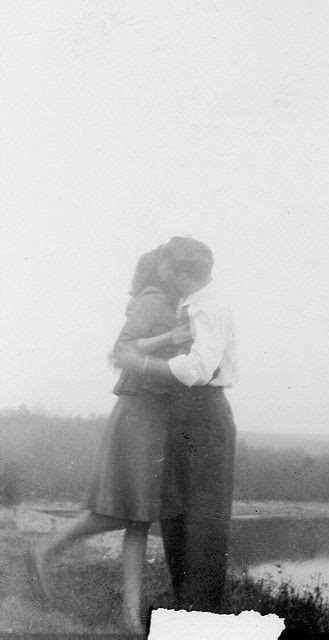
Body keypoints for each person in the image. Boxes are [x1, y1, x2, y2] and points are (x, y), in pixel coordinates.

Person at [27, 247, 191, 636]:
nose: (175, 272)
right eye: (171, 266)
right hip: (140, 411)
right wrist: (173, 336)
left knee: (140, 518)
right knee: (124, 511)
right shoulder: (152, 299)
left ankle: (130, 619)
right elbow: (119, 351)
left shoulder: (174, 301)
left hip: (159, 414)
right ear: (161, 270)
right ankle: (44, 550)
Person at [113, 236, 238, 612]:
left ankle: (201, 618)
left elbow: (199, 368)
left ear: (183, 274)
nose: (161, 271)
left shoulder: (208, 308)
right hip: (185, 412)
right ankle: (187, 611)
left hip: (204, 415)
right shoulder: (190, 303)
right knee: (177, 518)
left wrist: (150, 366)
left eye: (168, 267)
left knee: (204, 522)